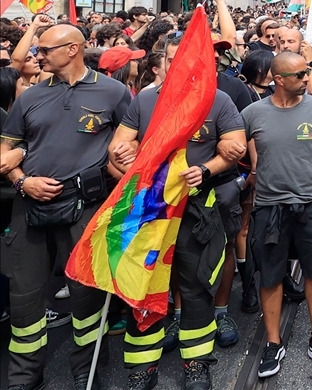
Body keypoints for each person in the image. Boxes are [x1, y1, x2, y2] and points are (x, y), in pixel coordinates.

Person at [106, 33, 247, 390]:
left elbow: (235, 145)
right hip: (149, 211)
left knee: (197, 286)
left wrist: (208, 169)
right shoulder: (145, 101)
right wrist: (124, 155)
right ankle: (142, 367)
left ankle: (197, 363)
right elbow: (120, 145)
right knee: (142, 286)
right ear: (163, 63)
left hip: (196, 209)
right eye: (172, 60)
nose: (179, 67)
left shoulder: (218, 101)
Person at [1, 24, 132, 390]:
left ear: (73, 49)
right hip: (29, 207)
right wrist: (23, 181)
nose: (36, 56)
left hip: (85, 207)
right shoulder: (28, 97)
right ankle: (24, 377)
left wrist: (126, 155)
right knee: (24, 297)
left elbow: (129, 142)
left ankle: (86, 371)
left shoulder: (114, 92)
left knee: (87, 295)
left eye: (44, 50)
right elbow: (5, 151)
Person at [243, 52, 312, 378]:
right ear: (279, 80)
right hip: (270, 208)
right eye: (300, 75)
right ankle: (273, 343)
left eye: (307, 72)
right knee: (271, 275)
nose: (306, 79)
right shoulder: (252, 113)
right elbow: (233, 144)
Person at [276, 27, 312, 96]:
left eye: (290, 41)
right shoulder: (274, 64)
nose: (285, 46)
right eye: (282, 42)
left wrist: (309, 60)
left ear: (302, 44)